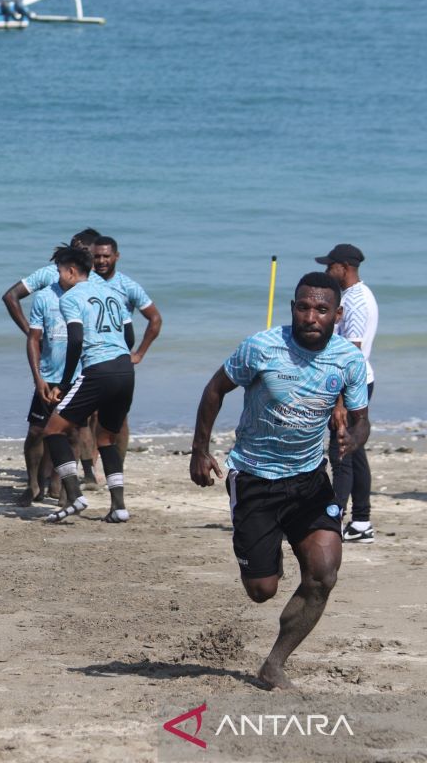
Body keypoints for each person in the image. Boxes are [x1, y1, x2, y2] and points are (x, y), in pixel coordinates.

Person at [190, 272, 369, 690]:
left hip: (309, 480)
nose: (311, 316)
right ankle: (265, 550)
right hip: (254, 476)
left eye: (321, 309)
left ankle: (274, 663)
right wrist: (200, 449)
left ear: (337, 314)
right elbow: (215, 389)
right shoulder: (261, 346)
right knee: (261, 590)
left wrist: (351, 440)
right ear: (293, 308)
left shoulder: (348, 360)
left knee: (323, 575)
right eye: (303, 307)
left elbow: (361, 422)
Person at [38, 246, 135, 523]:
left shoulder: (71, 298)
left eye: (59, 272)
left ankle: (75, 496)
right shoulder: (114, 293)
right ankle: (118, 506)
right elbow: (129, 335)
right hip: (125, 371)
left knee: (53, 430)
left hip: (98, 370)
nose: (58, 278)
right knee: (106, 437)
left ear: (70, 271)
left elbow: (77, 340)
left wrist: (65, 383)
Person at [3, 228, 102, 482]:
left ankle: (78, 477)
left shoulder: (96, 284)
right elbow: (10, 296)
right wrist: (32, 333)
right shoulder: (50, 277)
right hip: (52, 366)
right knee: (45, 429)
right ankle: (43, 481)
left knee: (79, 425)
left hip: (83, 368)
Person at [318, 243, 379, 543]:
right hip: (358, 381)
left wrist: (339, 400)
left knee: (340, 449)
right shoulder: (358, 295)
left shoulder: (355, 301)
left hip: (351, 383)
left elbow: (351, 354)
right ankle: (362, 522)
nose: (327, 271)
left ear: (343, 267)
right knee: (354, 449)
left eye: (330, 266)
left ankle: (335, 519)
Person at [90, 235, 164, 459]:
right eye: (97, 256)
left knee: (119, 418)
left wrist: (139, 354)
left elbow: (155, 319)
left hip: (119, 360)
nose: (101, 260)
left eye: (106, 256)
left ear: (116, 256)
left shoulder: (128, 286)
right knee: (89, 415)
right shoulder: (85, 282)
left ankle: (117, 467)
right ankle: (91, 467)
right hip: (90, 357)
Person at [24, 280, 76, 506]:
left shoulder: (89, 295)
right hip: (48, 376)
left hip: (76, 378)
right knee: (36, 431)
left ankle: (66, 489)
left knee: (72, 434)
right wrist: (38, 378)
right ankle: (33, 483)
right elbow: (33, 338)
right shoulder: (44, 297)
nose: (60, 273)